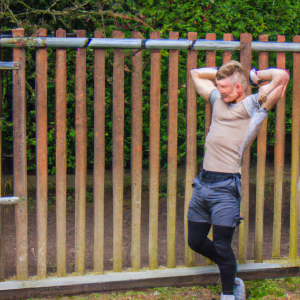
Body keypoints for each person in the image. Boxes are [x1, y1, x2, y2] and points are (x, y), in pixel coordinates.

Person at [187, 61, 289, 300]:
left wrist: (254, 77)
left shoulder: (253, 105)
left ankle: (229, 292)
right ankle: (229, 270)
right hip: (202, 185)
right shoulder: (216, 101)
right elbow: (195, 73)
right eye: (218, 85)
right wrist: (227, 72)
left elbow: (281, 77)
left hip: (225, 188)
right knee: (196, 241)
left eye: (224, 86)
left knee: (222, 245)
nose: (218, 89)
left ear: (238, 88)